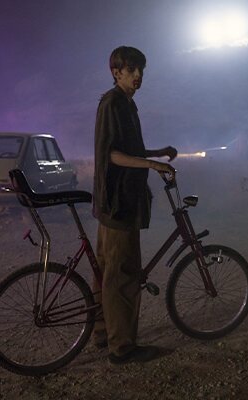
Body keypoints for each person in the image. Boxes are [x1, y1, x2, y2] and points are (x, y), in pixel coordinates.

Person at [92, 46, 177, 365]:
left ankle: (103, 331)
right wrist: (152, 166)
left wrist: (156, 153)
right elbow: (112, 154)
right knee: (123, 274)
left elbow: (130, 150)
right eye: (131, 70)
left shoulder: (126, 103)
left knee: (107, 271)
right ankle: (122, 347)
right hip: (119, 203)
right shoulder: (114, 102)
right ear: (116, 72)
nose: (138, 75)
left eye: (141, 69)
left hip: (114, 203)